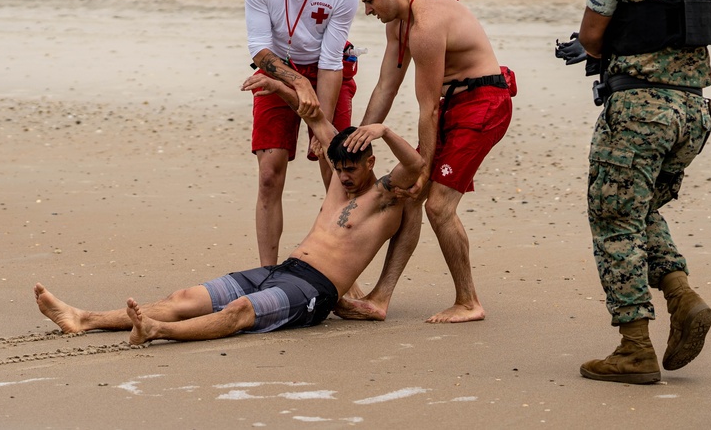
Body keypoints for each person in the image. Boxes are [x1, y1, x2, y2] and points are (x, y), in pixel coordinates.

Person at [34, 74, 424, 346]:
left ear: (371, 163)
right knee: (184, 297)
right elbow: (315, 117)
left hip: (313, 291)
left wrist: (384, 131)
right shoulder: (341, 175)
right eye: (338, 168)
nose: (343, 176)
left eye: (351, 169)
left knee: (239, 311)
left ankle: (155, 330)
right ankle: (83, 318)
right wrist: (276, 86)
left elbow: (416, 167)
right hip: (283, 270)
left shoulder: (384, 197)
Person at [555, 0, 711, 384]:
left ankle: (633, 348)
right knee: (640, 210)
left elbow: (593, 32)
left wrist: (586, 50)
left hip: (640, 114)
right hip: (693, 112)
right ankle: (681, 295)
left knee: (613, 222)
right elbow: (668, 23)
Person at [340, 0, 515, 324]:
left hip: (483, 104)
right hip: (455, 104)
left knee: (436, 203)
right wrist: (357, 144)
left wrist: (424, 170)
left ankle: (469, 302)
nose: (368, 11)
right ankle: (380, 298)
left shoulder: (426, 24)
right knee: (402, 192)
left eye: (370, 1)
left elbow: (427, 110)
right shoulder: (398, 26)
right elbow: (387, 85)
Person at [244, 0, 359, 267]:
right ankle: (267, 272)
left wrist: (317, 121)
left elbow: (330, 60)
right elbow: (259, 48)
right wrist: (294, 82)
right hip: (278, 67)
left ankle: (340, 269)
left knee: (334, 168)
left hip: (328, 70)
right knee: (268, 174)